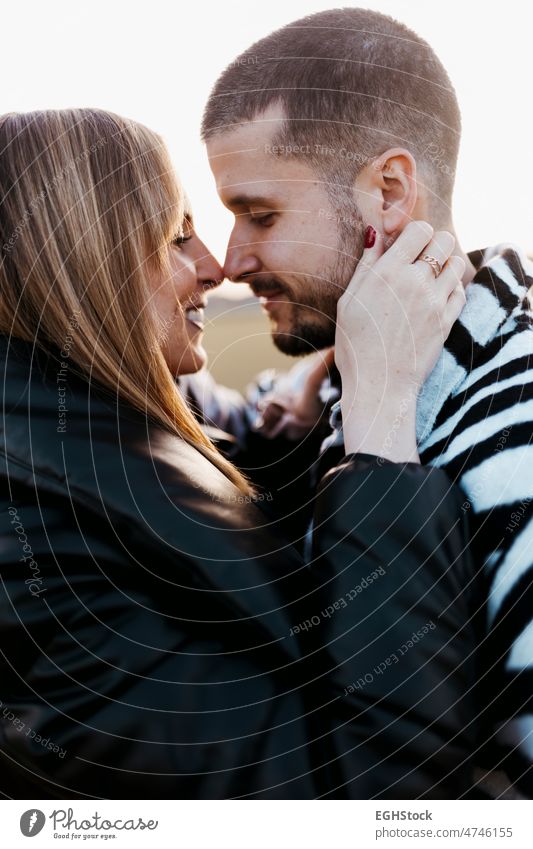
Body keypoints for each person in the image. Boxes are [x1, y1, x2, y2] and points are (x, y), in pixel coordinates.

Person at [0, 108, 475, 799]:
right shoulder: (31, 558)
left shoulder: (84, 420)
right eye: (174, 236)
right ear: (75, 262)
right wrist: (378, 421)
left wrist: (320, 393)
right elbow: (378, 800)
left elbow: (208, 492)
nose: (214, 267)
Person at [201, 7, 533, 795]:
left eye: (260, 214)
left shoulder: (514, 430)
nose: (229, 260)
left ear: (387, 192)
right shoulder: (359, 374)